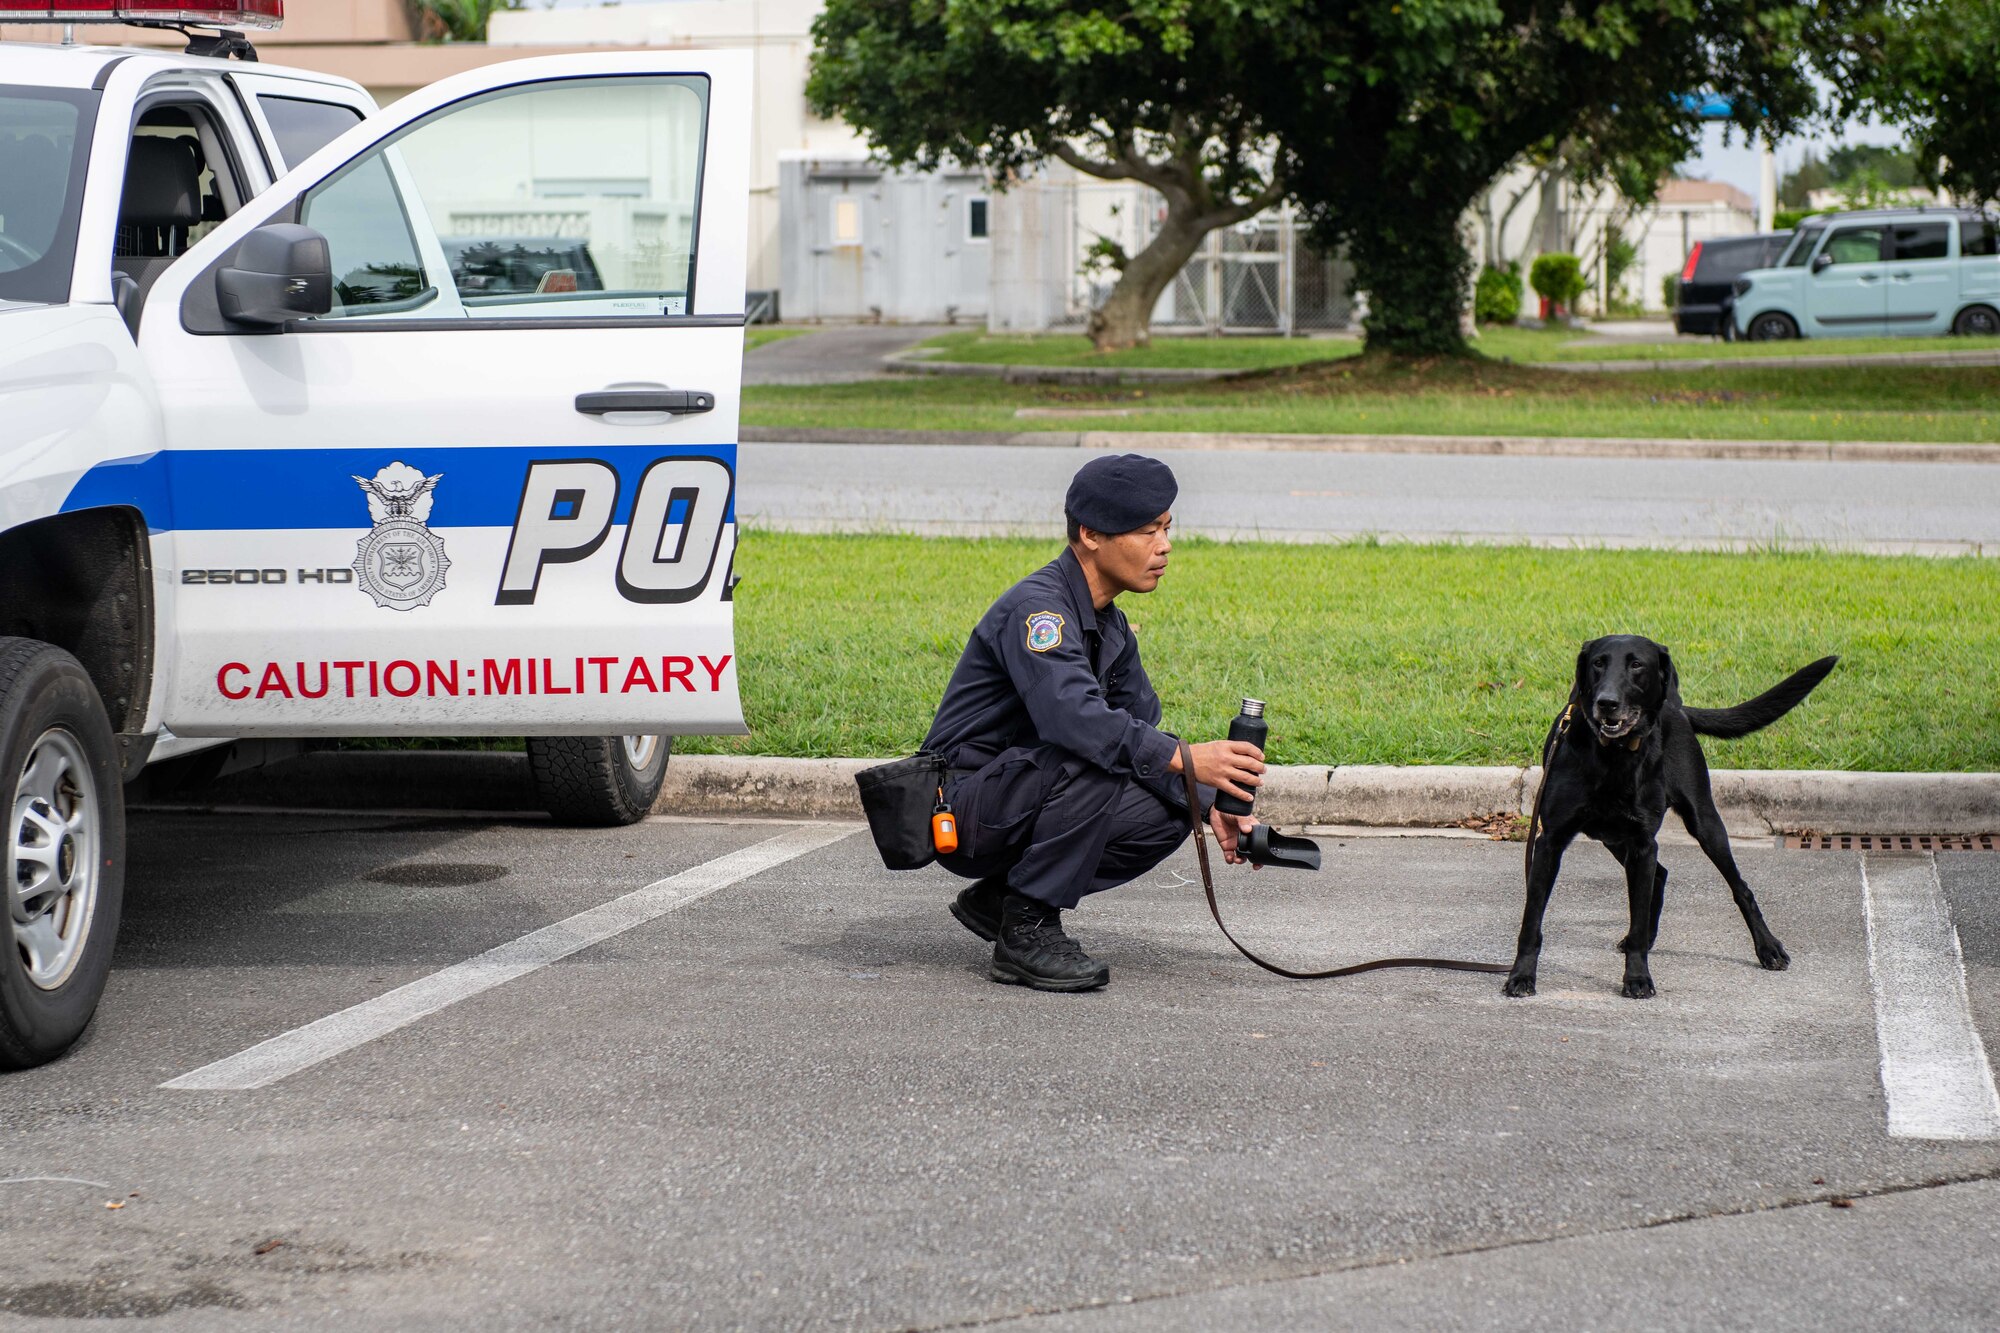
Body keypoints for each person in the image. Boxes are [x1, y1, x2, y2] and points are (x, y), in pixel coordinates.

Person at [921, 453, 1266, 992]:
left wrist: (1209, 801)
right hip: (962, 807)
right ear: (1090, 534)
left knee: (1174, 795)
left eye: (1167, 528)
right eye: (1148, 530)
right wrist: (1188, 758)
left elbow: (1144, 728)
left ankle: (1001, 901)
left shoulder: (1110, 624)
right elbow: (1076, 722)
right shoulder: (1040, 612)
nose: (1165, 545)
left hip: (1023, 793)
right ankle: (1027, 931)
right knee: (1101, 752)